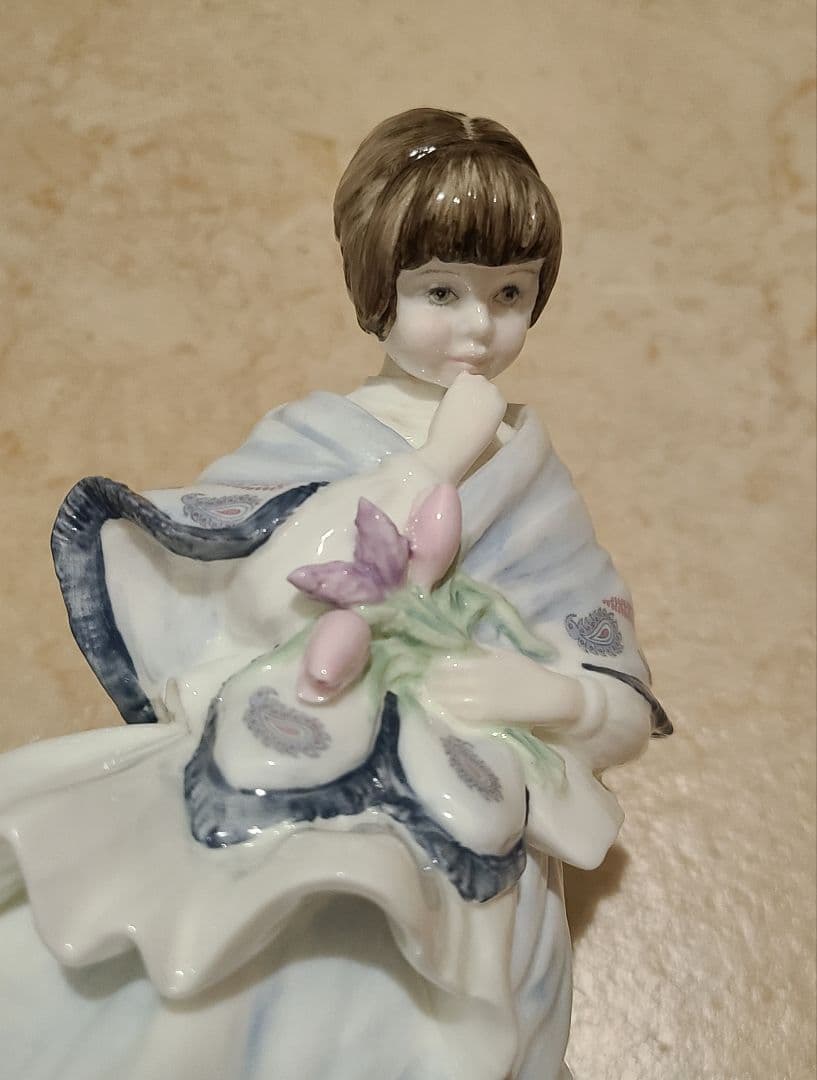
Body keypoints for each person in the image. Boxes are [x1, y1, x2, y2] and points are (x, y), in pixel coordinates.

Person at [0, 108, 669, 1080]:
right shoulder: (313, 438)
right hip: (286, 749)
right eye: (441, 291)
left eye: (509, 293)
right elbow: (265, 599)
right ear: (377, 288)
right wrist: (436, 461)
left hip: (471, 808)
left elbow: (615, 690)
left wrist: (555, 696)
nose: (477, 326)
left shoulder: (534, 480)